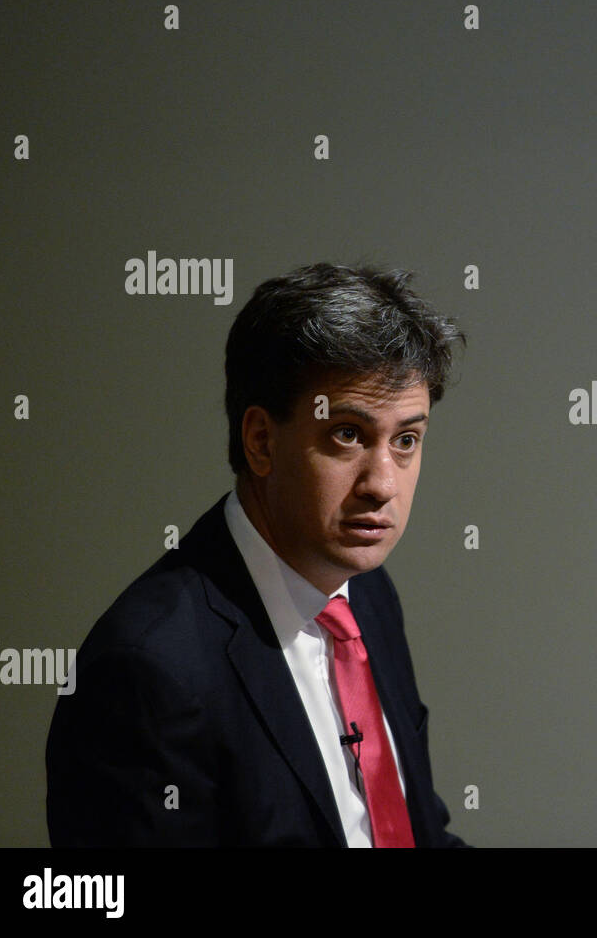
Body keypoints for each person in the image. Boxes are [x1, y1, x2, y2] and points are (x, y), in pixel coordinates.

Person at [46, 263, 468, 847]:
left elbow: (421, 834)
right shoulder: (148, 671)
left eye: (405, 440)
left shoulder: (366, 594)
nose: (383, 484)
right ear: (261, 441)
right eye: (347, 434)